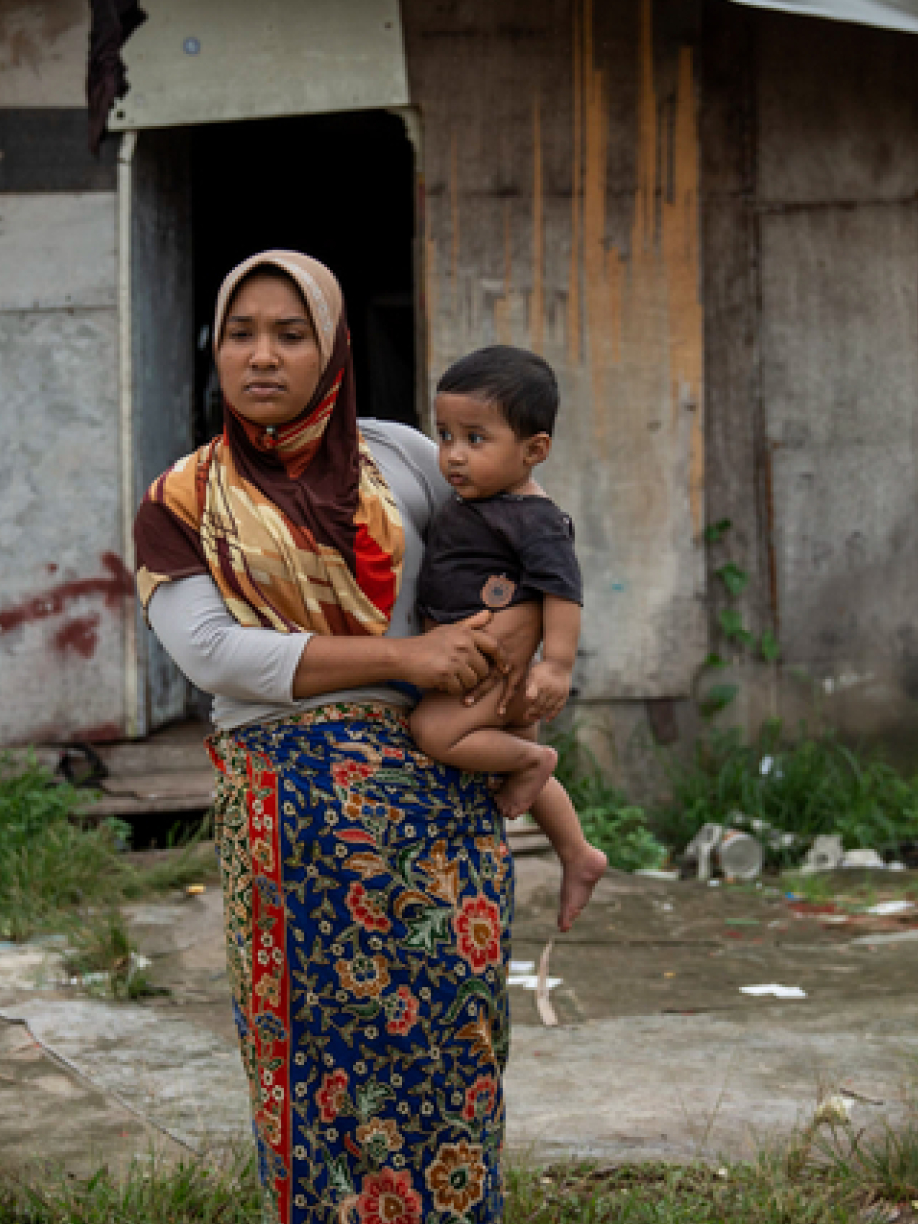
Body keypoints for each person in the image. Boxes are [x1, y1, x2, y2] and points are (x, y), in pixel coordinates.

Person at [138, 250, 528, 1224]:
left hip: (438, 798)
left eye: (289, 331)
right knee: (313, 1053)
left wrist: (512, 656)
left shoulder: (401, 457)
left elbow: (508, 549)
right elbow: (217, 655)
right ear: (215, 349)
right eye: (241, 332)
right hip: (291, 820)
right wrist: (404, 657)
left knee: (453, 1035)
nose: (261, 354)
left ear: (332, 346)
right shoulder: (182, 499)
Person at [404, 345, 610, 931]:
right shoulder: (479, 503)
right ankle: (578, 852)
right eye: (445, 436)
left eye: (475, 439)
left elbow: (562, 593)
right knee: (506, 769)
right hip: (480, 659)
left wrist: (557, 666)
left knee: (434, 732)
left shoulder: (534, 518)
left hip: (499, 668)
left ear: (534, 450)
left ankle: (533, 759)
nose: (453, 456)